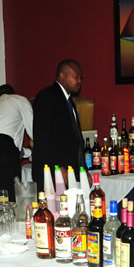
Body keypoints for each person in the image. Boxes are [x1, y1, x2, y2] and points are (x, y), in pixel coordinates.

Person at [32, 60, 87, 192]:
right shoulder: (47, 96)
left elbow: (76, 140)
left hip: (69, 172)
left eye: (81, 78)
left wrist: (83, 171)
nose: (79, 81)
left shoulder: (69, 101)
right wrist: (56, 167)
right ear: (62, 76)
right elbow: (42, 137)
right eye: (76, 77)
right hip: (53, 172)